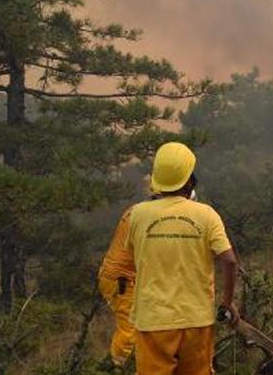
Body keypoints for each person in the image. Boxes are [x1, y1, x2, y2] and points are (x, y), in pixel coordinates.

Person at [127, 142, 239, 375]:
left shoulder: (137, 214)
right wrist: (227, 302)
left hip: (153, 321)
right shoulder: (207, 215)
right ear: (190, 181)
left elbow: (132, 257)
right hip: (197, 320)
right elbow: (229, 260)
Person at [97, 207, 137, 370]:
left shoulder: (137, 210)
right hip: (123, 280)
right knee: (130, 330)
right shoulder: (148, 216)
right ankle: (117, 367)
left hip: (115, 277)